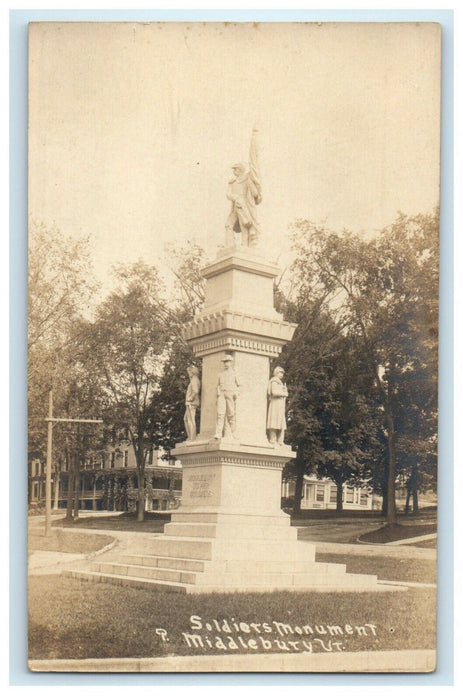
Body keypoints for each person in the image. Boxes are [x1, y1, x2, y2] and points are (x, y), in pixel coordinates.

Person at [214, 354, 240, 439]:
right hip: (222, 393)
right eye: (224, 362)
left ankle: (234, 432)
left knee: (231, 414)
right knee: (220, 414)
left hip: (230, 394)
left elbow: (239, 385)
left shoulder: (234, 374)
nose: (226, 364)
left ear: (231, 362)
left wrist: (236, 393)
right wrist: (218, 392)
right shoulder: (220, 374)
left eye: (227, 362)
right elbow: (217, 385)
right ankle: (218, 433)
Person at [267, 366, 288, 446]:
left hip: (280, 404)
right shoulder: (274, 381)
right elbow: (274, 392)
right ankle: (273, 439)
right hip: (275, 403)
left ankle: (280, 440)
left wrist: (284, 391)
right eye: (280, 372)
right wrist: (284, 393)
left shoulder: (279, 382)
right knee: (274, 421)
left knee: (280, 422)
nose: (282, 374)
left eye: (282, 373)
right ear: (276, 372)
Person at [184, 365, 201, 441]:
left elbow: (195, 391)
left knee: (190, 420)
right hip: (190, 403)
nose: (188, 374)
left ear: (192, 372)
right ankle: (190, 436)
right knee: (186, 419)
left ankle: (192, 437)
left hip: (192, 403)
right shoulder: (194, 380)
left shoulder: (194, 380)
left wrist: (190, 398)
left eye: (189, 372)